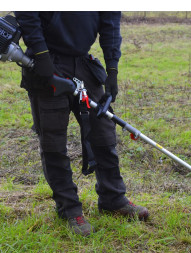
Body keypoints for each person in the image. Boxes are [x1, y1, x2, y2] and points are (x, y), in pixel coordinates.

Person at [14, 11, 149, 236]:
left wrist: (112, 71)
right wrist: (46, 66)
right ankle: (69, 210)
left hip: (84, 64)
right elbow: (28, 17)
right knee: (53, 143)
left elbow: (110, 23)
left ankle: (113, 199)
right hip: (46, 62)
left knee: (104, 134)